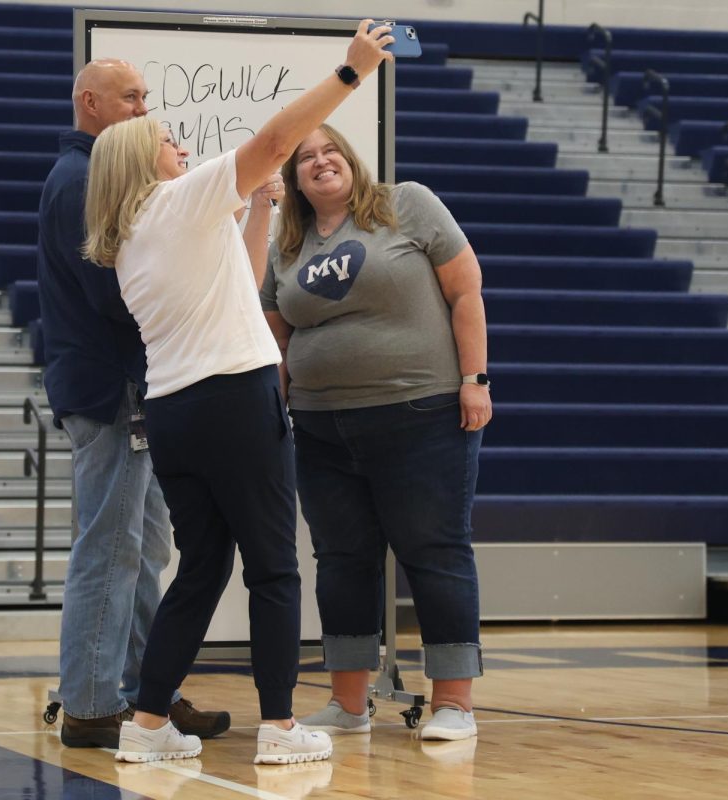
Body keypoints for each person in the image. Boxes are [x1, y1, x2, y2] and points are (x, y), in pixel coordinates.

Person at [80, 20, 395, 764]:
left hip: (176, 412)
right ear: (144, 161)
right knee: (275, 565)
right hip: (232, 397)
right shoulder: (179, 200)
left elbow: (244, 283)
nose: (180, 147)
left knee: (203, 568)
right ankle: (282, 729)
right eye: (166, 140)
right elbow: (277, 141)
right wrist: (350, 74)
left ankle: (149, 723)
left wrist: (257, 210)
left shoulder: (134, 236)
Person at [258, 123, 491, 742]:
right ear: (294, 179)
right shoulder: (287, 244)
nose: (319, 161)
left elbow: (466, 291)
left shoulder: (405, 204)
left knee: (434, 551)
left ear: (351, 160)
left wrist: (476, 378)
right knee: (340, 561)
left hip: (422, 414)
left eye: (330, 149)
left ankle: (455, 705)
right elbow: (277, 336)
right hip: (320, 427)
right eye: (305, 158)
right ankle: (349, 705)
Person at [36, 58, 229, 749]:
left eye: (147, 97)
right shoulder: (84, 178)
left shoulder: (91, 176)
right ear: (89, 103)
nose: (143, 108)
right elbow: (112, 297)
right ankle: (91, 704)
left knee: (143, 546)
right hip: (110, 389)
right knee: (114, 546)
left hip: (124, 387)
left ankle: (151, 692)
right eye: (130, 97)